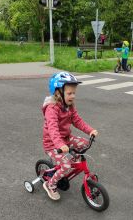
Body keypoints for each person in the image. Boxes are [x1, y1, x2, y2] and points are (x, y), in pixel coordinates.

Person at [42, 72, 98, 201]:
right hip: (52, 144)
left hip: (66, 139)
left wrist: (90, 130)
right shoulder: (52, 108)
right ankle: (50, 184)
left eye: (74, 93)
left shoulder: (69, 106)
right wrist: (59, 144)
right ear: (58, 93)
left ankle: (68, 163)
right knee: (66, 166)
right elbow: (53, 129)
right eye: (69, 93)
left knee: (84, 143)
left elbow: (77, 120)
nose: (73, 96)